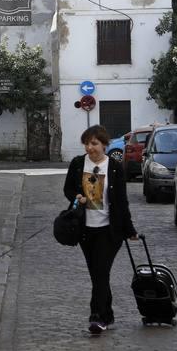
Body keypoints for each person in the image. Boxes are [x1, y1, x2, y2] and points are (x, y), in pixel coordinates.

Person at [62, 124, 140, 334]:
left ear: (104, 145)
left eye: (94, 143)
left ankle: (96, 316)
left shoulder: (114, 167)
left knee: (101, 272)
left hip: (109, 230)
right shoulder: (78, 164)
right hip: (85, 230)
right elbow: (68, 189)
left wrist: (130, 229)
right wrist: (77, 197)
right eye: (87, 143)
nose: (90, 147)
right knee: (97, 275)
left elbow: (122, 202)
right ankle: (107, 314)